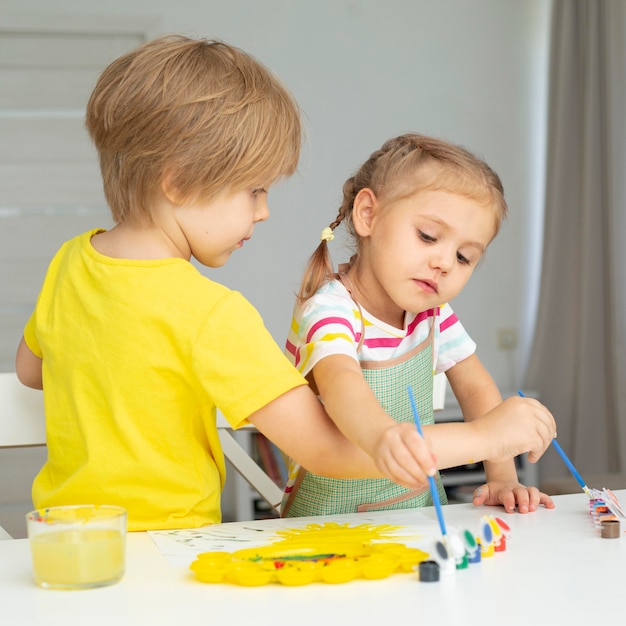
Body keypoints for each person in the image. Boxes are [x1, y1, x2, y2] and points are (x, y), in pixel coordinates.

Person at [14, 36, 445, 532]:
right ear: (176, 182)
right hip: (166, 551)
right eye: (254, 189)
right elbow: (325, 450)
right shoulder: (208, 313)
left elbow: (31, 370)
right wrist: (483, 439)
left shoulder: (71, 261)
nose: (263, 211)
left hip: (65, 544)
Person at [281, 133, 557, 517]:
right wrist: (384, 438)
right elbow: (341, 383)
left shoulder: (433, 314)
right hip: (327, 527)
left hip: (417, 515)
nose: (444, 261)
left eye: (463, 257)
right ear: (368, 215)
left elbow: (476, 388)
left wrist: (502, 475)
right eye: (428, 236)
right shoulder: (329, 309)